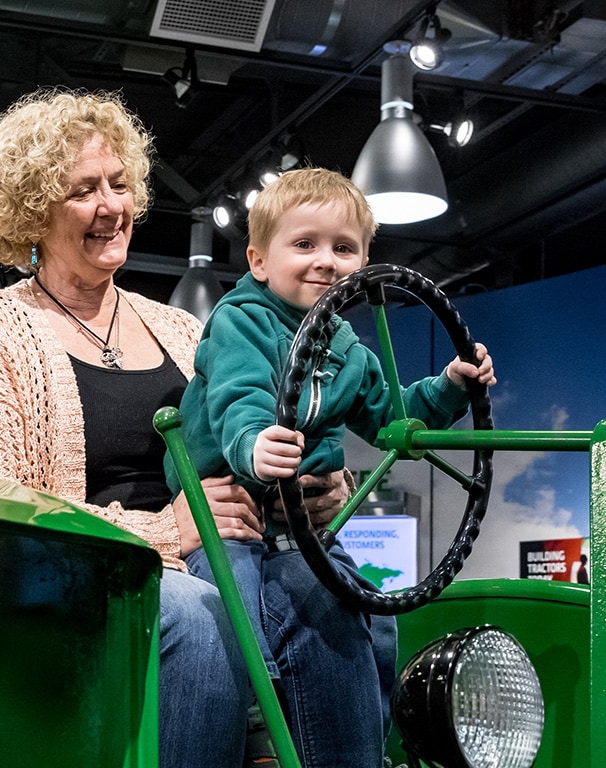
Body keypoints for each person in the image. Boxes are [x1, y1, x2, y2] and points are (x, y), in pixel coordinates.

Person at [0, 88, 353, 767]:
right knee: (194, 614)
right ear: (34, 211)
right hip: (70, 585)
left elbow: (253, 442)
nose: (112, 207)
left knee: (335, 601)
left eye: (120, 184)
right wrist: (166, 531)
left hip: (221, 563)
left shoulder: (185, 330)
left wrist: (308, 487)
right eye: (83, 191)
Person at [166, 167, 496, 765]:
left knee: (369, 610)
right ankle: (254, 719)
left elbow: (394, 416)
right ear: (259, 261)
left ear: (366, 260)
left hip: (306, 524)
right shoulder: (242, 320)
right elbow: (237, 397)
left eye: (344, 248)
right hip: (232, 507)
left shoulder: (349, 349)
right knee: (228, 605)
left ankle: (374, 721)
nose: (326, 261)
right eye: (305, 245)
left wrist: (449, 386)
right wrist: (253, 446)